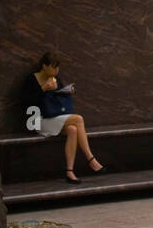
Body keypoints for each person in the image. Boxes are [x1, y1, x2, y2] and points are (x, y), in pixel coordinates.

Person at [22, 50, 107, 183]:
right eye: (53, 66)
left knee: (72, 130)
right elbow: (26, 102)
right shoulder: (31, 79)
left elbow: (58, 100)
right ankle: (91, 159)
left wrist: (67, 91)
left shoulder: (57, 80)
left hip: (54, 118)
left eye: (58, 67)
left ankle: (69, 172)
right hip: (38, 121)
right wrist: (43, 88)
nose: (56, 70)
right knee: (78, 119)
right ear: (44, 66)